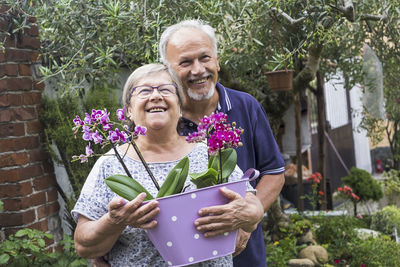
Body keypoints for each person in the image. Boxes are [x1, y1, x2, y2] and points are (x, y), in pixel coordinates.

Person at [72, 63, 253, 266]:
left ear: (180, 106)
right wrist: (115, 221)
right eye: (144, 90)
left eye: (166, 89)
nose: (156, 96)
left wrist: (244, 221)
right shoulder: (110, 163)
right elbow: (83, 245)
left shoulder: (209, 153)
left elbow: (252, 206)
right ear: (129, 110)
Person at [159, 20, 285, 267]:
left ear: (217, 61)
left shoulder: (246, 106)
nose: (198, 70)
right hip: (178, 258)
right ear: (168, 69)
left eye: (205, 58)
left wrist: (249, 217)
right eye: (185, 62)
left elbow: (274, 172)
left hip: (242, 256)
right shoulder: (160, 119)